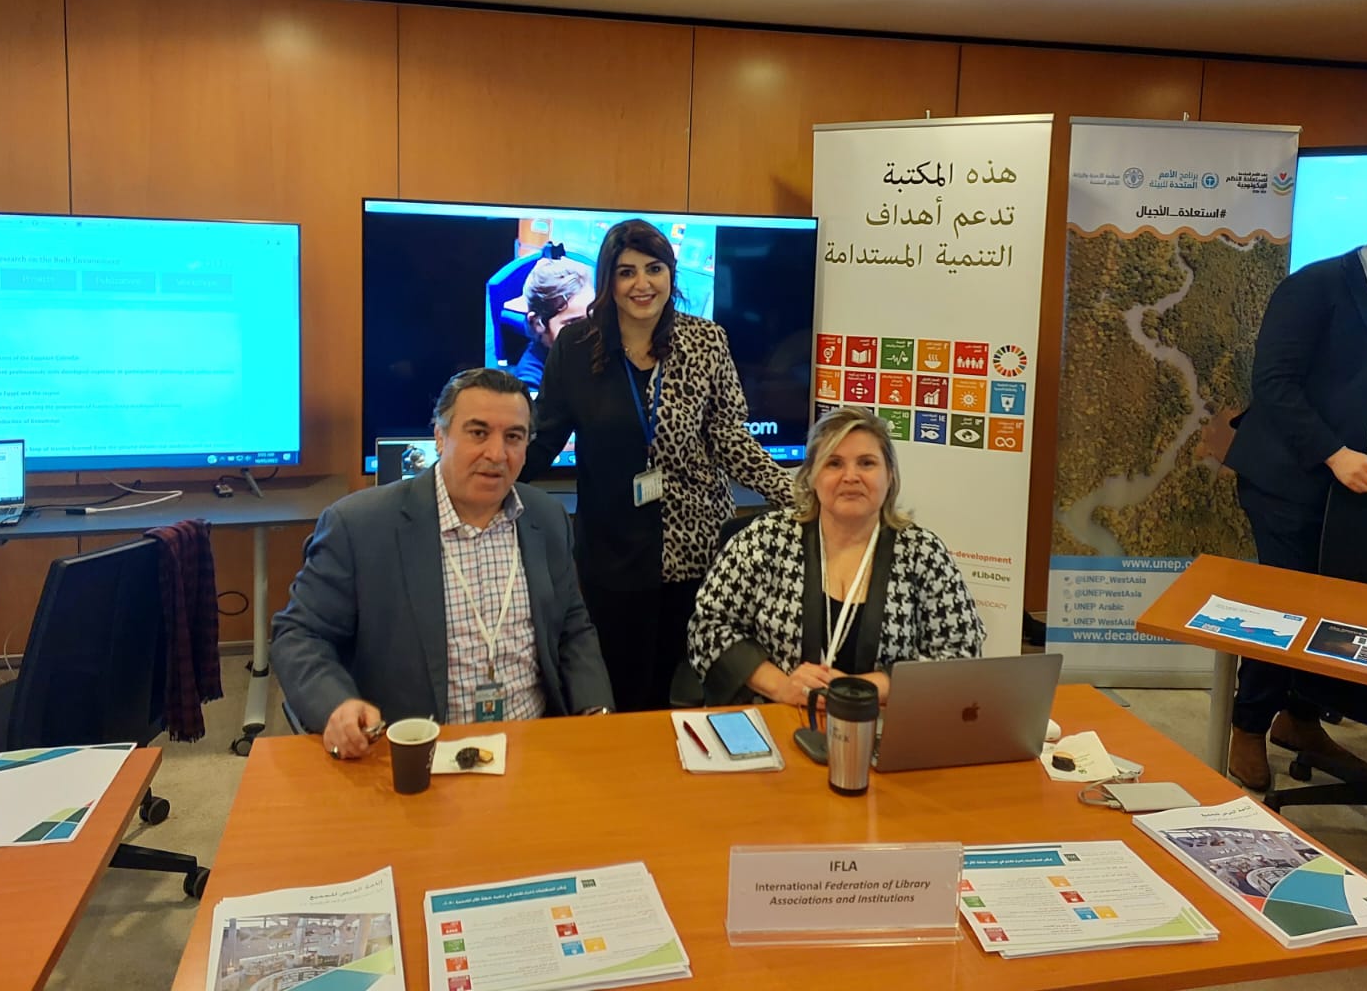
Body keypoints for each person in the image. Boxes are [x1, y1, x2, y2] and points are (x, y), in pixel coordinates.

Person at [1222, 191, 1367, 790]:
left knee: (1344, 616)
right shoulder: (1317, 285)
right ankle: (1248, 728)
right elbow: (1274, 384)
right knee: (1288, 611)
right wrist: (1334, 453)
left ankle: (1299, 721)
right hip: (1294, 481)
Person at [523, 218, 795, 711]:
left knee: (686, 690)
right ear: (608, 281)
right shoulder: (577, 347)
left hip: (697, 546)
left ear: (671, 274)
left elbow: (730, 438)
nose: (642, 284)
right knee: (623, 691)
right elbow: (544, 438)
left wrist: (797, 495)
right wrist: (486, 471)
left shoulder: (706, 341)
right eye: (626, 272)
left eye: (654, 269)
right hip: (611, 551)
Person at [273, 368, 614, 759]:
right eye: (478, 432)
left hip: (532, 746)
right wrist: (336, 705)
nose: (496, 454)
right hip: (417, 750)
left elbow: (573, 627)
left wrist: (595, 710)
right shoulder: (360, 525)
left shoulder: (548, 519)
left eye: (514, 437)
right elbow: (299, 635)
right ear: (440, 435)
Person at [687, 407, 986, 705]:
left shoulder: (923, 553)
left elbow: (961, 654)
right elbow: (708, 628)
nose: (851, 476)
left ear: (890, 476)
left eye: (867, 463)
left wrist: (864, 689)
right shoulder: (765, 538)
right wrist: (782, 687)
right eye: (834, 463)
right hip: (779, 718)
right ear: (812, 476)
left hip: (886, 728)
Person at [513, 255, 594, 392]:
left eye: (593, 318)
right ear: (537, 323)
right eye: (573, 323)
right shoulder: (530, 383)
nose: (590, 331)